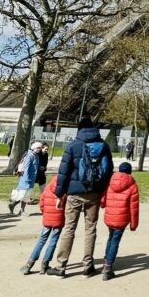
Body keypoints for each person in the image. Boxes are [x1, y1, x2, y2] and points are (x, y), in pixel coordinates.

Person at [47, 116, 113, 278]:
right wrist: (101, 190)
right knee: (90, 228)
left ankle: (61, 265)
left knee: (69, 228)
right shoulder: (103, 145)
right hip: (94, 193)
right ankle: (87, 266)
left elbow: (64, 172)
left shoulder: (73, 145)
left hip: (74, 192)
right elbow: (108, 170)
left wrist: (59, 194)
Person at [99, 161, 139, 281]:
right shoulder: (132, 185)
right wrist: (134, 224)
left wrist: (102, 204)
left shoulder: (110, 182)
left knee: (111, 238)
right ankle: (108, 266)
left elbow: (103, 199)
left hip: (110, 217)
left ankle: (106, 260)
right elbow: (134, 207)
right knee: (115, 240)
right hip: (121, 219)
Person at [21, 175, 65, 275]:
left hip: (47, 219)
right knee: (53, 241)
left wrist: (45, 213)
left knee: (41, 240)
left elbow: (41, 204)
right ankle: (45, 264)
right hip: (58, 220)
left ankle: (29, 263)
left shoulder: (47, 189)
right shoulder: (64, 191)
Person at [9, 142, 42, 216]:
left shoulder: (36, 156)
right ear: (34, 147)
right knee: (22, 195)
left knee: (27, 196)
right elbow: (26, 167)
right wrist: (26, 178)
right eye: (38, 148)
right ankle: (12, 205)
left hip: (32, 179)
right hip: (26, 179)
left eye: (40, 148)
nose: (39, 149)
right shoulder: (29, 155)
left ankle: (22, 210)